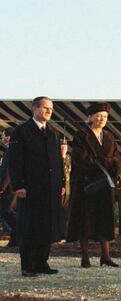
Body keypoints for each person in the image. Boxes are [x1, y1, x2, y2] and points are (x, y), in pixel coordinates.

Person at [8, 97, 66, 277]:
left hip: (50, 188)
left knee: (46, 226)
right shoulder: (21, 132)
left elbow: (59, 161)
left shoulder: (53, 133)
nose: (49, 111)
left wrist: (62, 182)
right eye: (45, 108)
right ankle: (27, 265)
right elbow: (15, 161)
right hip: (30, 188)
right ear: (34, 108)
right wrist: (19, 185)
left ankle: (42, 262)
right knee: (29, 226)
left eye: (51, 109)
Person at [67, 103, 121, 267]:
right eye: (98, 115)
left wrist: (115, 165)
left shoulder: (109, 136)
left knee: (104, 220)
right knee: (86, 221)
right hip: (87, 184)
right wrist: (107, 162)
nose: (102, 119)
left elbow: (117, 158)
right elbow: (81, 159)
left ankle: (105, 256)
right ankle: (85, 257)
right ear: (90, 117)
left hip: (105, 184)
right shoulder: (81, 135)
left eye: (105, 116)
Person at [0, 127, 18, 247]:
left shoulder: (10, 152)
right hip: (10, 187)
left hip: (9, 188)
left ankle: (17, 235)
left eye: (3, 136)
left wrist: (2, 187)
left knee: (7, 212)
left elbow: (8, 171)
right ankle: (15, 238)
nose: (1, 139)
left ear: (8, 137)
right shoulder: (10, 151)